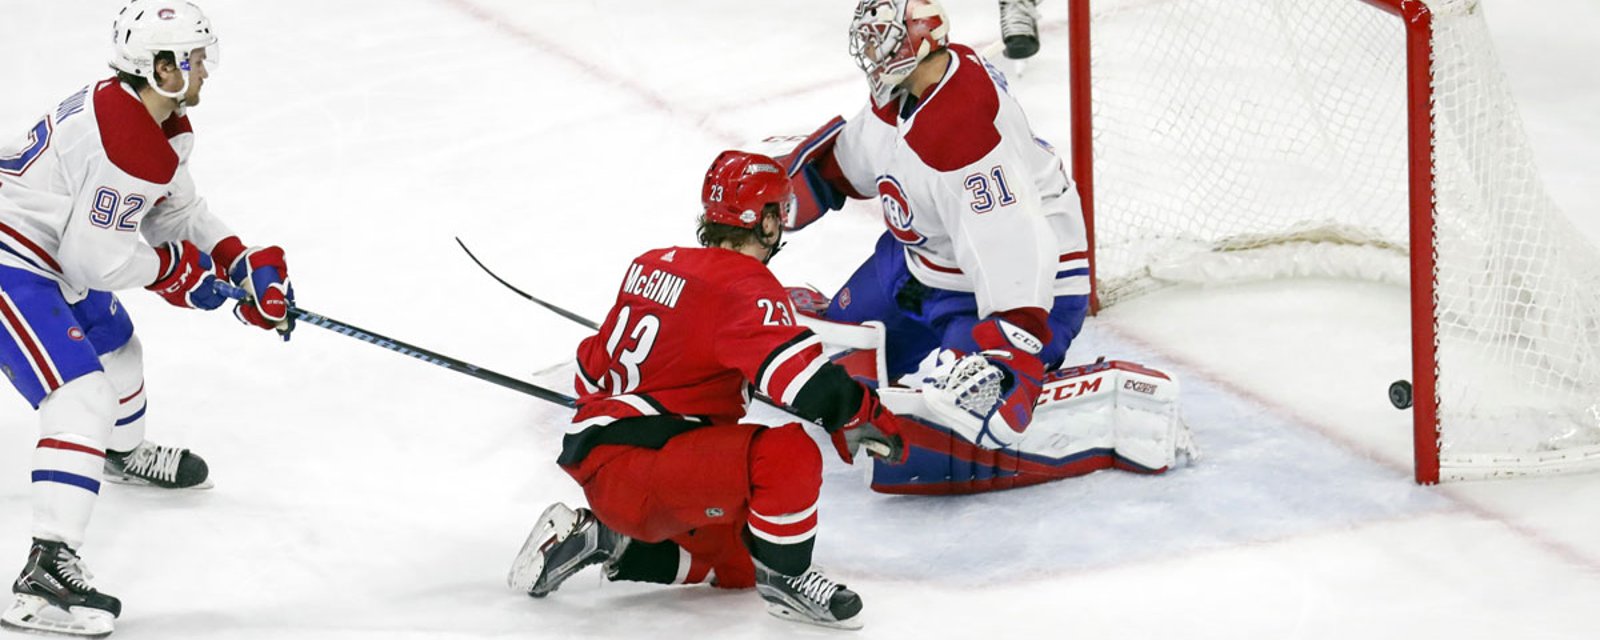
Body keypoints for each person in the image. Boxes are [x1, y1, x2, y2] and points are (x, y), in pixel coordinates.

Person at [507, 151, 911, 630]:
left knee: (742, 561)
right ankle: (791, 583)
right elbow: (800, 379)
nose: (781, 225)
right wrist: (858, 412)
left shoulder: (651, 265)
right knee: (788, 454)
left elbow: (590, 370)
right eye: (778, 213)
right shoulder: (746, 284)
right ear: (763, 222)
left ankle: (608, 541)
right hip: (646, 468)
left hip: (613, 468)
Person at [0, 1, 293, 636]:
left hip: (51, 251)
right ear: (159, 67)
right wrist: (177, 273)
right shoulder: (126, 140)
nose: (205, 72)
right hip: (13, 257)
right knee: (79, 393)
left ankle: (121, 454)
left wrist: (238, 260)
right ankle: (43, 572)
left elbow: (176, 214)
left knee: (122, 353)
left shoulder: (159, 121)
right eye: (193, 60)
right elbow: (98, 260)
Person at [779, 0, 1088, 469]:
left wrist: (1013, 339)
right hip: (918, 261)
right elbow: (859, 159)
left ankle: (1015, 363)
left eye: (879, 37)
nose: (868, 50)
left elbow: (1012, 241)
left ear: (915, 41)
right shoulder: (907, 91)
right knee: (834, 364)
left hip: (1017, 293)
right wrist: (789, 194)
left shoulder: (961, 129)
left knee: (958, 408)